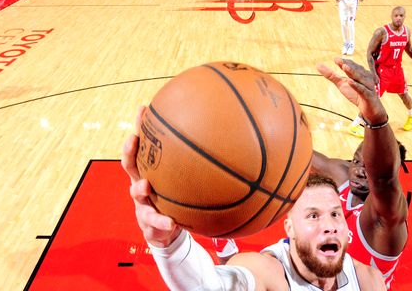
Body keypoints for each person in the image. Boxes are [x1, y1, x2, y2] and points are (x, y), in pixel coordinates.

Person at [122, 107, 387, 291]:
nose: (328, 224)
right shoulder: (268, 272)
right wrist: (168, 243)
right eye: (313, 215)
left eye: (335, 214)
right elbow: (209, 286)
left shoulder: (369, 280)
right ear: (289, 228)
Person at [313, 59, 408, 288]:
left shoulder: (385, 221)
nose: (359, 170)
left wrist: (374, 118)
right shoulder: (344, 176)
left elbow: (383, 179)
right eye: (356, 161)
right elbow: (294, 151)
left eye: (368, 166)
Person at [349, 6, 412, 137]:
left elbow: (409, 49)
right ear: (391, 16)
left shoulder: (407, 32)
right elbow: (369, 53)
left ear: (405, 17)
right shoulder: (381, 32)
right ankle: (355, 125)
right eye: (396, 15)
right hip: (382, 70)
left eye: (401, 15)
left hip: (397, 69)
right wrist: (374, 74)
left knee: (404, 95)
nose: (398, 18)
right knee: (373, 99)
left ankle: (411, 116)